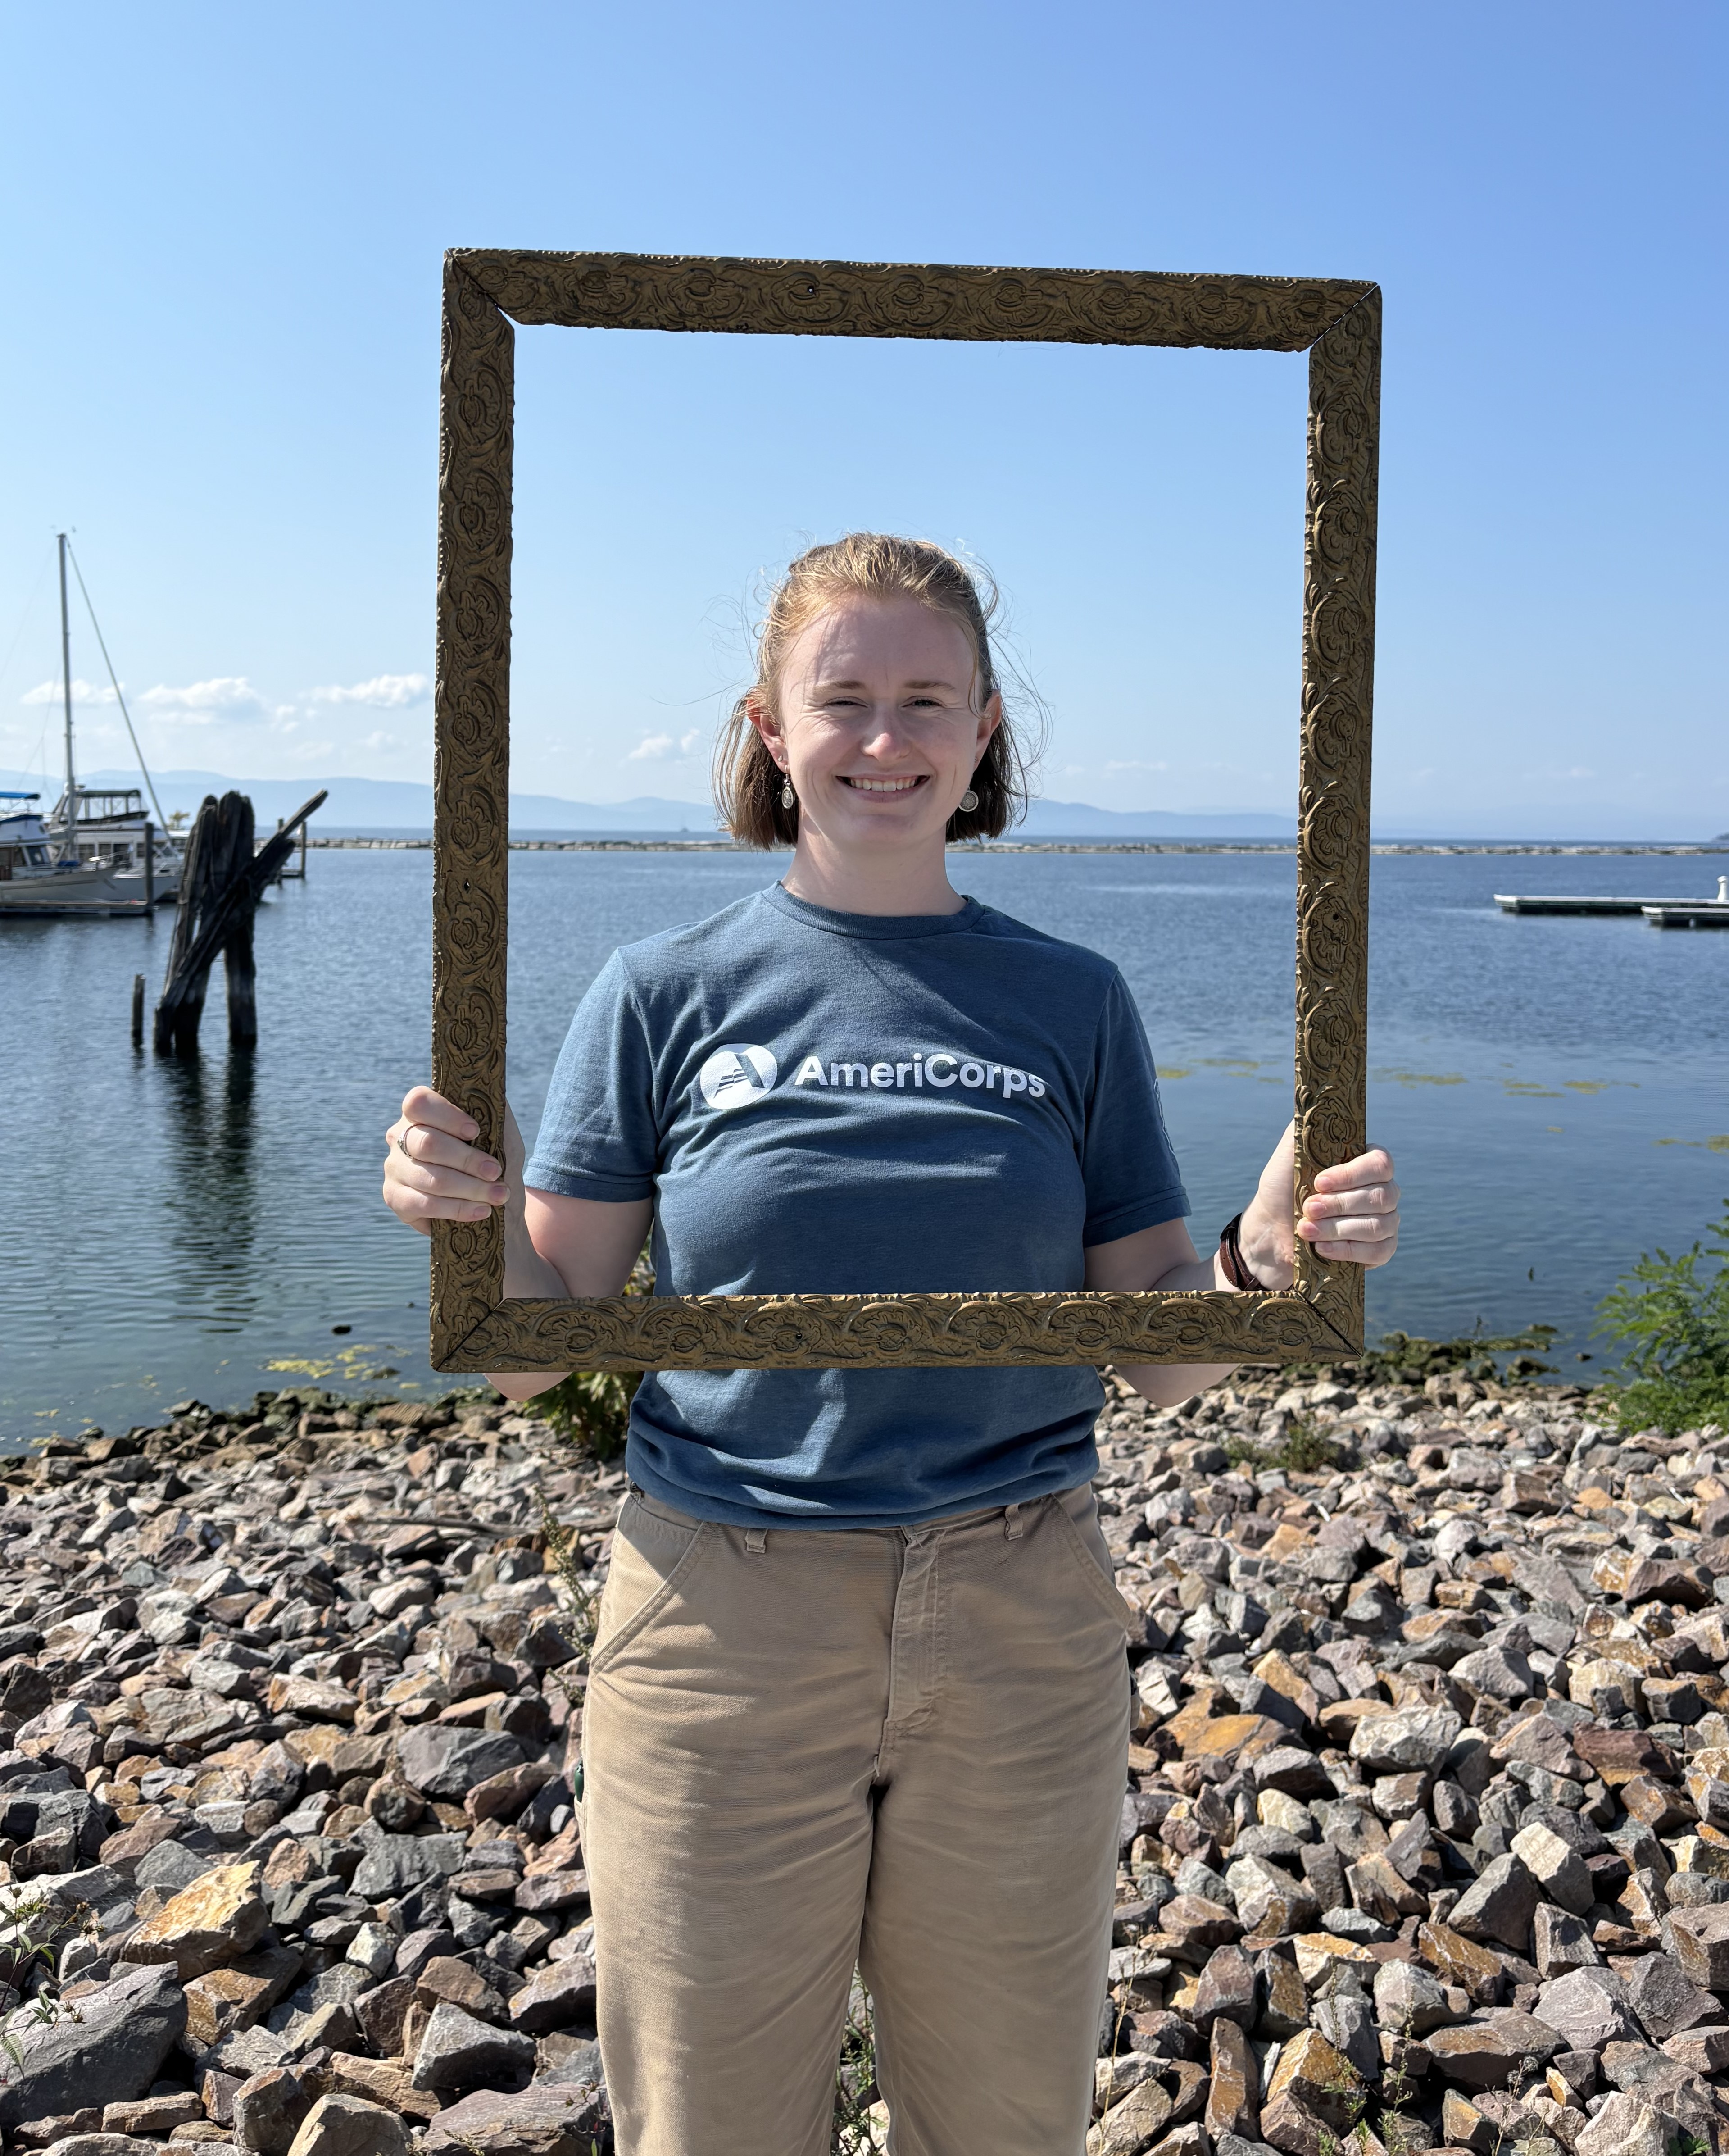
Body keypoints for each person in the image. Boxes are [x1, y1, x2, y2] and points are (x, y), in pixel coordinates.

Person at [381, 534, 1400, 2156]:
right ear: (770, 728)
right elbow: (535, 1342)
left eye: (926, 697)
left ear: (985, 728)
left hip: (1021, 1612)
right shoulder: (662, 990)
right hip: (721, 1615)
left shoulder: (1072, 999)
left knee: (1002, 2129)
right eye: (840, 696)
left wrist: (1263, 1258)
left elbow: (1156, 1349)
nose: (884, 736)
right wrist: (462, 1202)